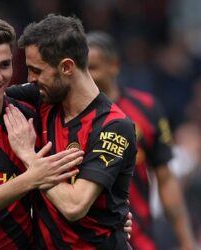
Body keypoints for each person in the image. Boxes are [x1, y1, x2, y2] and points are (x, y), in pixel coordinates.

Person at [0, 14, 137, 249]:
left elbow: (74, 206)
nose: (29, 78)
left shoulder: (113, 126)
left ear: (66, 67)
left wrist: (28, 157)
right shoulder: (41, 99)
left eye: (36, 70)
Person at [85, 31, 195, 250]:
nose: (86, 75)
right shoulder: (70, 116)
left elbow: (165, 179)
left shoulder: (147, 108)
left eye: (93, 67)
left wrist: (186, 241)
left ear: (114, 65)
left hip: (139, 239)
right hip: (86, 241)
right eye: (82, 68)